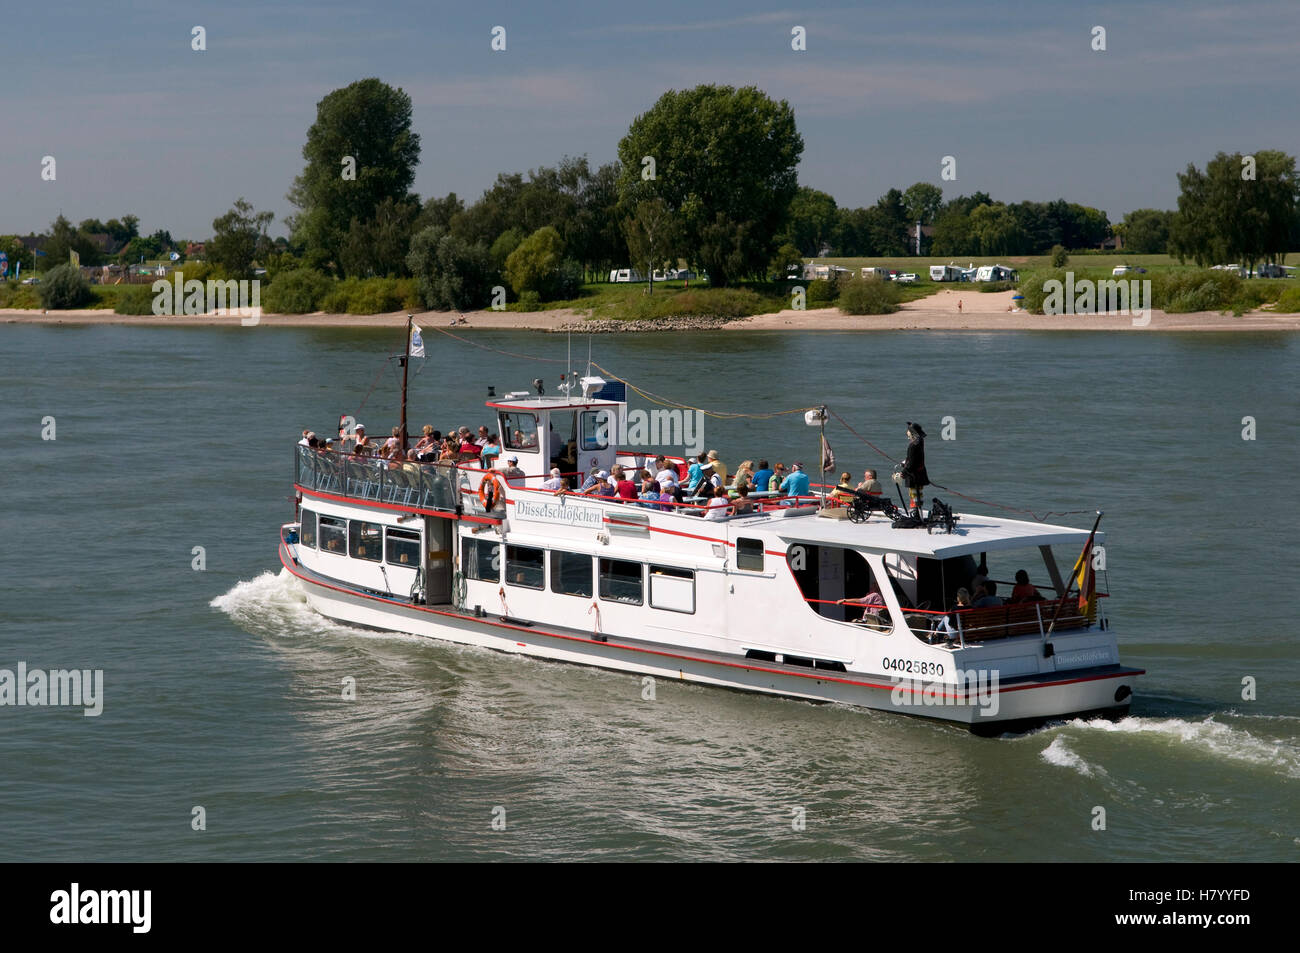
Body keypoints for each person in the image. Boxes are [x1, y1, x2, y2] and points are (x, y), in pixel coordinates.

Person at [899, 421, 929, 515]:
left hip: (914, 475)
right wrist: (905, 462)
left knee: (914, 493)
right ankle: (917, 512)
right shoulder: (920, 442)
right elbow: (914, 459)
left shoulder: (913, 445)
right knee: (918, 493)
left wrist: (903, 473)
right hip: (920, 472)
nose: (907, 433)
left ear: (912, 432)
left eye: (908, 431)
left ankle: (915, 512)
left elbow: (911, 463)